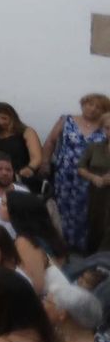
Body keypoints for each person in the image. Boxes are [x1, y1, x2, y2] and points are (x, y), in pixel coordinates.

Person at [44, 93, 109, 253]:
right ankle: (60, 244)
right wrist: (45, 162)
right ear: (82, 104)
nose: (92, 109)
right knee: (62, 207)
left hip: (90, 178)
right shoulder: (66, 120)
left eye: (98, 107)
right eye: (89, 104)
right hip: (65, 175)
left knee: (84, 211)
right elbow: (51, 141)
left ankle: (81, 248)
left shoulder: (106, 127)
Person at [0, 102, 45, 194]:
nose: (1, 122)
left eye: (4, 118)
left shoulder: (26, 132)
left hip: (18, 175)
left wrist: (29, 169)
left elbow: (36, 158)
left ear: (12, 118)